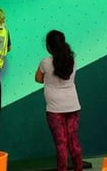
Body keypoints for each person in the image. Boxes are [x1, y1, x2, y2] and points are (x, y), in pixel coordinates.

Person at [35, 30, 82, 171]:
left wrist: (49, 79)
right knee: (74, 142)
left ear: (49, 47)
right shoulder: (72, 60)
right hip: (73, 106)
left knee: (61, 144)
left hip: (55, 111)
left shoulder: (45, 62)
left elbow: (38, 79)